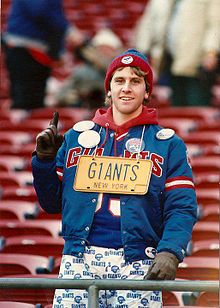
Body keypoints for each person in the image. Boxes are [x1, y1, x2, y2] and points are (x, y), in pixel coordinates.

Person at [32, 49, 198, 307]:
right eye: (119, 80)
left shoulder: (169, 144)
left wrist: (170, 251)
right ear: (108, 89)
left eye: (135, 81)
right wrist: (43, 161)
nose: (126, 88)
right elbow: (51, 203)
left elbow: (181, 206)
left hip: (138, 261)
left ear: (147, 91)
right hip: (79, 258)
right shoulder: (76, 138)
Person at [133, 0, 220, 106]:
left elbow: (215, 24)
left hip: (198, 63)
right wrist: (141, 52)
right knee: (177, 103)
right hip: (169, 60)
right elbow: (148, 23)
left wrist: (211, 52)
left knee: (196, 103)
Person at [2, 0, 84, 110]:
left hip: (37, 52)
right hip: (25, 50)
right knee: (25, 102)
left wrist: (57, 52)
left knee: (34, 102)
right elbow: (40, 11)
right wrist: (68, 30)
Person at [55, 28, 123, 110]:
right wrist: (73, 97)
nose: (103, 52)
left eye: (108, 49)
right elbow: (61, 95)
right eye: (100, 48)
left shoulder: (123, 71)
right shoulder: (82, 71)